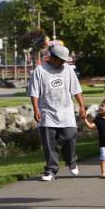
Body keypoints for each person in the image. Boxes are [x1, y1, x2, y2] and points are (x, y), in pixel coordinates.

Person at [28, 44, 87, 181]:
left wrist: (82, 106)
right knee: (49, 142)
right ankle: (50, 170)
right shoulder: (40, 70)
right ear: (52, 57)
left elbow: (76, 90)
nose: (62, 63)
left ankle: (71, 161)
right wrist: (36, 109)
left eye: (64, 61)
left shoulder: (68, 70)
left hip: (66, 110)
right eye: (60, 60)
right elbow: (34, 92)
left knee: (69, 136)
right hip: (47, 111)